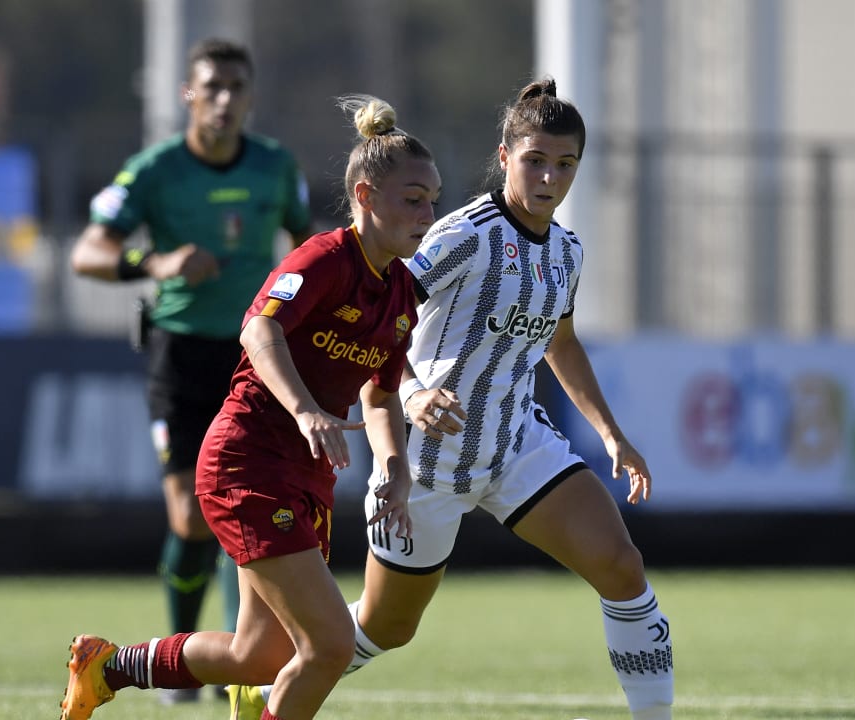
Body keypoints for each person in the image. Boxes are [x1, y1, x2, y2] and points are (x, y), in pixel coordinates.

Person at [235, 78, 675, 720]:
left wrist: (610, 433)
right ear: (504, 156)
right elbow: (377, 314)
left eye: (565, 164)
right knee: (388, 627)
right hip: (427, 462)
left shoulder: (567, 251)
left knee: (621, 566)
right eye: (535, 160)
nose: (550, 177)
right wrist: (409, 393)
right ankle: (277, 681)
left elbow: (562, 341)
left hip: (517, 444)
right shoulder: (461, 235)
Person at [59, 95, 440, 720]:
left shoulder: (400, 291)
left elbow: (380, 391)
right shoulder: (322, 258)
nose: (429, 213)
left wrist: (393, 466)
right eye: (413, 199)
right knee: (329, 645)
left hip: (303, 475)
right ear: (366, 197)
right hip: (248, 463)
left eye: (432, 197)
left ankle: (108, 666)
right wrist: (306, 409)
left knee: (259, 655)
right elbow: (258, 330)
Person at [69, 37, 312, 704]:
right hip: (179, 355)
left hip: (253, 356)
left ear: (250, 96)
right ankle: (179, 668)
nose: (226, 99)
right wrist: (156, 263)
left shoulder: (275, 166)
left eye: (237, 87)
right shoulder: (155, 170)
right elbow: (87, 253)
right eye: (213, 87)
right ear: (189, 95)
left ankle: (238, 663)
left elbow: (308, 243)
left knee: (250, 509)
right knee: (190, 518)